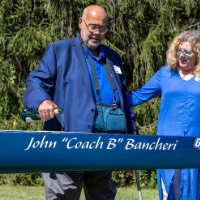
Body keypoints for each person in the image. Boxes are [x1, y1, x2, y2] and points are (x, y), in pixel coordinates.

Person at [23, 4, 137, 200]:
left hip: (104, 147)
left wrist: (131, 127)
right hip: (67, 145)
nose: (97, 33)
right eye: (92, 26)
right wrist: (42, 100)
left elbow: (123, 100)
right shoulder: (60, 50)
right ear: (80, 23)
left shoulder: (114, 58)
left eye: (102, 28)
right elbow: (36, 81)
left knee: (104, 196)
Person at [126, 30, 200, 200]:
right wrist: (111, 99)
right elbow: (138, 96)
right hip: (168, 142)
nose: (182, 55)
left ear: (197, 53)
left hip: (196, 143)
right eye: (179, 51)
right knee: (170, 188)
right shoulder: (165, 74)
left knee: (194, 188)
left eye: (187, 52)